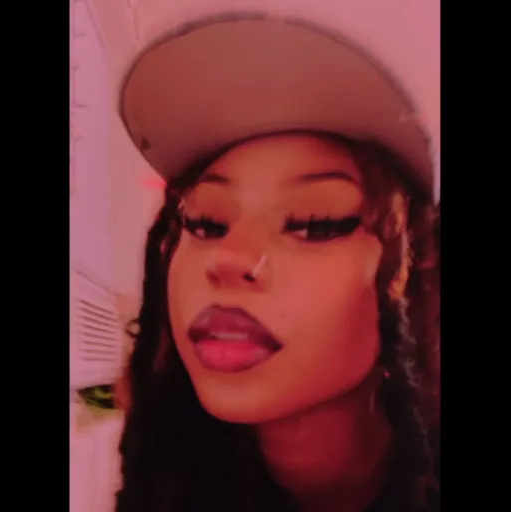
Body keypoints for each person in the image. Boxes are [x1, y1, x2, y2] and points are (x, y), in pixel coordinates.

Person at [115, 7, 440, 512]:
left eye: (314, 222)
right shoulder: (161, 470)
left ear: (415, 273)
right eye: (206, 222)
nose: (227, 258)